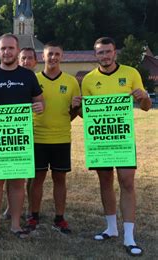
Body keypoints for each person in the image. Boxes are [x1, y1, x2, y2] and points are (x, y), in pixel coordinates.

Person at [81, 37, 151, 257]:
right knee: (105, 181)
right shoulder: (89, 80)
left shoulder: (131, 73)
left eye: (108, 52)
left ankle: (129, 236)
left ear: (115, 53)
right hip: (100, 139)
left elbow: (147, 107)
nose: (105, 56)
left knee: (127, 181)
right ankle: (111, 228)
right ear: (96, 55)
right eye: (100, 53)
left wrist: (145, 97)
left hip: (122, 138)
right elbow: (86, 115)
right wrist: (79, 106)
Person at [0, 34, 44, 239]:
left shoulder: (28, 76)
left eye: (11, 48)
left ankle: (15, 225)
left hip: (19, 138)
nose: (7, 52)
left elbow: (40, 101)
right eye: (3, 49)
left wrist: (39, 106)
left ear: (17, 50)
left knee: (17, 182)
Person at [25, 42, 81, 234]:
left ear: (62, 56)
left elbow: (74, 111)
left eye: (57, 54)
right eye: (50, 54)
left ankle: (60, 217)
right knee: (37, 178)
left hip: (61, 138)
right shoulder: (33, 79)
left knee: (60, 179)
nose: (53, 58)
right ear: (43, 57)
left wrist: (72, 112)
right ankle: (34, 216)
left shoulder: (72, 82)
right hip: (37, 137)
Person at [3, 47, 38, 220]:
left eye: (30, 58)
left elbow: (41, 102)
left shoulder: (32, 78)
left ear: (36, 61)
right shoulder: (9, 78)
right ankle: (11, 208)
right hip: (11, 135)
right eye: (23, 58)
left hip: (32, 133)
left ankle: (31, 210)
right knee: (11, 174)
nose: (26, 61)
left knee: (30, 176)